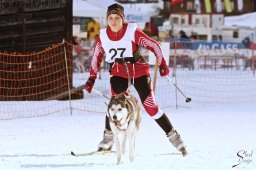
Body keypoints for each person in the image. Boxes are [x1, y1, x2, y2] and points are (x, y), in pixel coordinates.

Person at [84, 3, 187, 156]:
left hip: (138, 72)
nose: (114, 21)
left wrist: (163, 64)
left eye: (117, 18)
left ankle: (174, 137)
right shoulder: (103, 36)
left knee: (151, 107)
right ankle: (108, 138)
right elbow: (96, 57)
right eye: (110, 18)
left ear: (122, 19)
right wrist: (91, 79)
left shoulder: (132, 32)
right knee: (114, 104)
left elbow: (154, 45)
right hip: (118, 74)